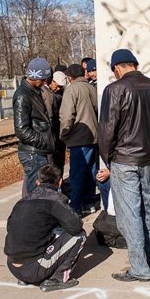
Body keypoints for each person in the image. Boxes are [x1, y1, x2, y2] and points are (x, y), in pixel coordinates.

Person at [99, 49, 150, 282]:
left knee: (130, 215)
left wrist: (107, 158)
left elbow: (107, 130)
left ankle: (140, 268)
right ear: (135, 64)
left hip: (124, 160)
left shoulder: (114, 89)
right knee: (148, 208)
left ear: (117, 68)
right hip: (148, 160)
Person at [4, 164, 87, 292]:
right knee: (79, 235)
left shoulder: (23, 201)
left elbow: (11, 227)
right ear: (59, 182)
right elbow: (76, 226)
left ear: (38, 182)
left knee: (43, 231)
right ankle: (58, 278)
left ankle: (26, 277)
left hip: (13, 266)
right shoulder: (54, 200)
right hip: (34, 270)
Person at [60, 63, 100, 216]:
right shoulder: (91, 88)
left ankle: (76, 205)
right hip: (93, 137)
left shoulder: (71, 90)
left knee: (76, 174)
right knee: (91, 171)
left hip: (78, 138)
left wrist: (64, 134)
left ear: (70, 77)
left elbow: (66, 116)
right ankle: (89, 202)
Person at [14, 57, 54, 196]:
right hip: (33, 152)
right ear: (34, 76)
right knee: (33, 192)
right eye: (43, 79)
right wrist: (43, 140)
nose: (45, 83)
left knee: (39, 192)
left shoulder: (33, 92)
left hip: (38, 151)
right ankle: (29, 217)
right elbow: (21, 130)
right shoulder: (22, 96)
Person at [49, 71, 68, 174]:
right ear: (52, 81)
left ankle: (59, 180)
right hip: (52, 131)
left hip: (59, 130)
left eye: (61, 87)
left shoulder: (62, 95)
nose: (58, 89)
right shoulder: (46, 94)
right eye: (57, 86)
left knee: (60, 158)